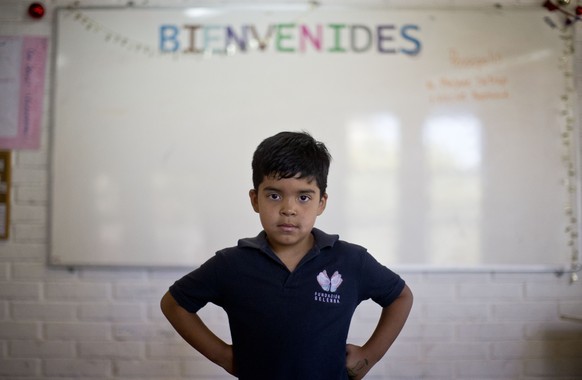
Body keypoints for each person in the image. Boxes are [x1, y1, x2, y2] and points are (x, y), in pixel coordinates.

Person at [161, 131, 413, 380]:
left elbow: (400, 297)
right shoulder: (231, 264)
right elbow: (174, 303)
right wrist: (223, 356)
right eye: (274, 195)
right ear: (254, 200)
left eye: (304, 197)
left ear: (321, 203)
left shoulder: (350, 260)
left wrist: (369, 355)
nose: (288, 209)